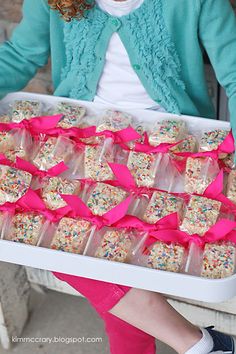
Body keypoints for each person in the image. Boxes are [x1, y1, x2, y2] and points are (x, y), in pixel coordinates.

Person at [0, 0, 236, 353]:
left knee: (109, 256)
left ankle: (201, 344)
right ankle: (197, 342)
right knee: (59, 245)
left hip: (169, 145)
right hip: (79, 136)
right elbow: (21, 54)